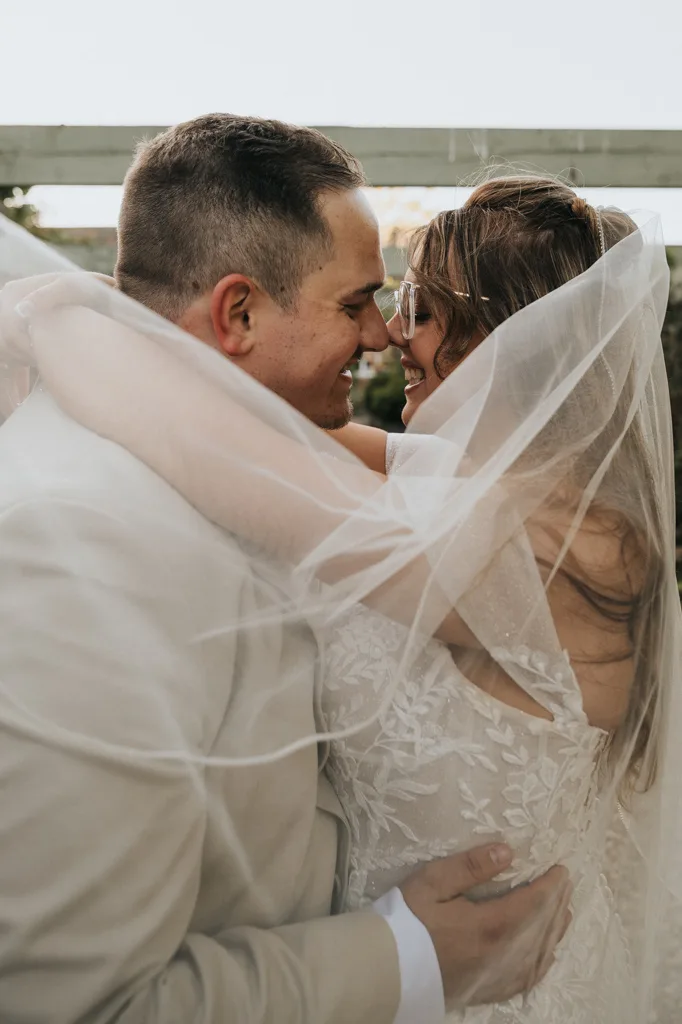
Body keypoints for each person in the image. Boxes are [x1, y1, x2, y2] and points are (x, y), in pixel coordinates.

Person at [2, 171, 678, 1020]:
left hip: (500, 989)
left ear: (512, 343)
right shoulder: (454, 483)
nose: (393, 334)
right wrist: (145, 317)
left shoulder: (582, 556)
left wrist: (49, 315)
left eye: (424, 314)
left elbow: (216, 451)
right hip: (394, 966)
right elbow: (237, 416)